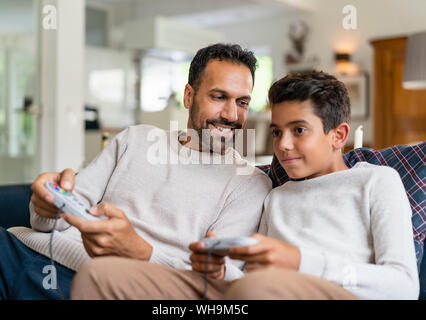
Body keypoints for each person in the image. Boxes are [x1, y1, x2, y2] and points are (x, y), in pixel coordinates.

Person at [70, 71, 419, 300]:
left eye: (298, 130)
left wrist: (299, 261)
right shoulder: (276, 195)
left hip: (331, 293)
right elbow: (242, 276)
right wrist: (220, 268)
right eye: (277, 131)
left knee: (258, 287)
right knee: (101, 275)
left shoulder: (376, 180)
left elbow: (403, 286)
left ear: (338, 135)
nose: (283, 145)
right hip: (250, 292)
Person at [0, 43, 272, 299]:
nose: (232, 115)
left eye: (242, 102)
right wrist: (46, 207)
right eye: (219, 97)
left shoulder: (249, 183)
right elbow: (53, 220)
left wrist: (140, 252)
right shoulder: (136, 138)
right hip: (18, 252)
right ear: (189, 96)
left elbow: (215, 285)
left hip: (93, 285)